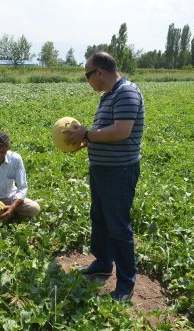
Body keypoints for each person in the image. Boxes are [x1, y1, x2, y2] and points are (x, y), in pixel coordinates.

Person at [64, 51, 145, 301]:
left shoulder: (127, 92)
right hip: (102, 170)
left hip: (118, 172)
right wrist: (89, 140)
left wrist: (87, 135)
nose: (88, 81)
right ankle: (102, 264)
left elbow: (121, 131)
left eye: (88, 75)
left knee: (118, 226)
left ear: (99, 72)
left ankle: (126, 282)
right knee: (100, 219)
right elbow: (106, 131)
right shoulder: (109, 95)